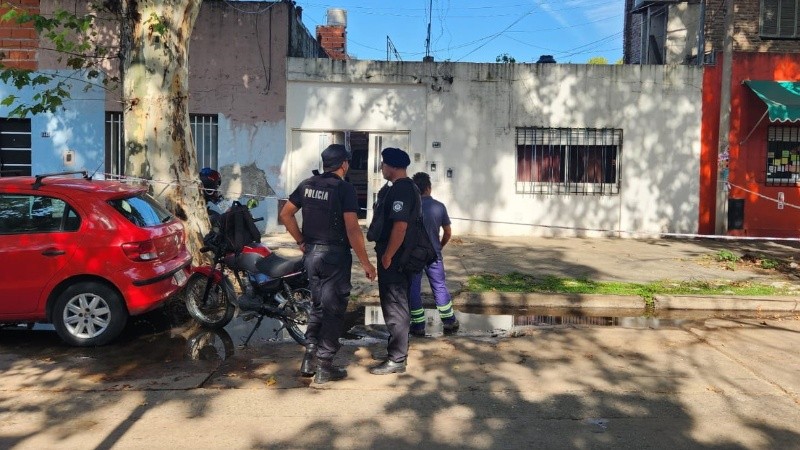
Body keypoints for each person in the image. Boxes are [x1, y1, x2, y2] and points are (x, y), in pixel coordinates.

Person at [280, 144, 377, 385]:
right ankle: (324, 366)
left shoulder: (307, 185)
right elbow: (353, 229)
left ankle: (309, 358)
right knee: (333, 311)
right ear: (344, 164)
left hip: (312, 256)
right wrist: (366, 262)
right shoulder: (344, 189)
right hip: (334, 257)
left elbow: (285, 214)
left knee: (318, 307)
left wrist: (301, 240)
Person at [367, 147, 419, 376]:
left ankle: (397, 358)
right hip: (397, 255)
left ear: (394, 166)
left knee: (395, 304)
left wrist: (388, 255)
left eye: (384, 164)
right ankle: (397, 351)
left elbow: (400, 226)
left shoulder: (402, 190)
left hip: (396, 257)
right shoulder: (400, 188)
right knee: (398, 304)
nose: (381, 167)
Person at [408, 172, 459, 336]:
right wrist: (440, 246)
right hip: (434, 255)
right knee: (439, 286)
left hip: (414, 256)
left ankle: (418, 325)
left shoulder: (409, 207)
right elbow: (448, 232)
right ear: (429, 188)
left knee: (413, 289)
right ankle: (449, 321)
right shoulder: (439, 206)